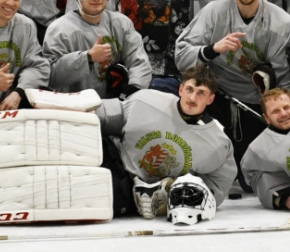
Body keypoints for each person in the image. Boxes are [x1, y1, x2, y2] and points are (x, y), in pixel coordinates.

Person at [174, 0, 290, 176]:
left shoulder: (282, 22)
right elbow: (181, 56)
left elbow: (285, 79)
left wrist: (279, 115)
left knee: (248, 177)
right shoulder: (213, 12)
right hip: (216, 97)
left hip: (255, 102)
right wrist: (213, 49)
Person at [95, 65, 237, 220]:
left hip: (147, 193)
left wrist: (175, 193)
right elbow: (103, 115)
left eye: (201, 93)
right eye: (189, 89)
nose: (192, 98)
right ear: (181, 89)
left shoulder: (218, 144)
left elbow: (216, 189)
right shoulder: (145, 100)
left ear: (210, 99)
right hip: (119, 168)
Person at [43, 0, 152, 97]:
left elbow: (139, 61)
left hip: (115, 104)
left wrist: (133, 89)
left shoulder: (121, 24)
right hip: (74, 105)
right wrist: (88, 58)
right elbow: (51, 76)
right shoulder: (59, 29)